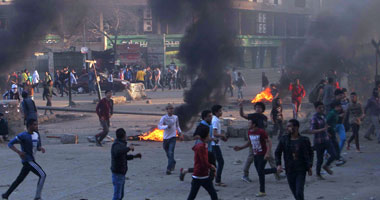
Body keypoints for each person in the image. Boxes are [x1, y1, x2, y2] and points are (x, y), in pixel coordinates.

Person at [2, 119, 46, 200]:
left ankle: (6, 194)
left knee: (19, 179)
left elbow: (37, 147)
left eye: (37, 125)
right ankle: (37, 197)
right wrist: (19, 152)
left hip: (31, 160)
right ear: (29, 126)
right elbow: (10, 143)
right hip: (28, 161)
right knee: (43, 175)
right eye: (34, 125)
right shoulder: (23, 135)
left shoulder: (36, 135)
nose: (36, 126)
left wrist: (41, 148)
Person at [234, 119, 279, 197]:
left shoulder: (261, 132)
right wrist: (240, 148)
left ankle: (262, 191)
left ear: (254, 124)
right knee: (260, 172)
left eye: (249, 123)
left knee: (261, 172)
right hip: (256, 154)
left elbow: (268, 142)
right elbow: (249, 143)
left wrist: (267, 153)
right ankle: (276, 170)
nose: (248, 124)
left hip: (263, 154)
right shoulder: (249, 132)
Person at [239, 102, 279, 182]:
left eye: (260, 107)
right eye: (257, 107)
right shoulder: (253, 116)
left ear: (263, 109)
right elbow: (243, 115)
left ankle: (277, 174)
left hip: (263, 138)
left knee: (270, 157)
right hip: (254, 139)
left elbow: (264, 128)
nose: (258, 108)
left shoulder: (264, 117)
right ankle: (245, 175)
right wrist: (241, 108)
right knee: (251, 157)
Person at [275, 119, 313, 200]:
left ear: (296, 127)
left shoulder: (304, 140)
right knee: (295, 192)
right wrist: (278, 164)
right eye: (287, 126)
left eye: (289, 126)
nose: (287, 128)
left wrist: (309, 166)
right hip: (289, 169)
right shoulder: (284, 139)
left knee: (299, 191)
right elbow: (277, 152)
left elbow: (310, 153)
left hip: (301, 169)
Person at [180, 110, 216, 181]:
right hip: (202, 149)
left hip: (208, 148)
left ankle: (185, 170)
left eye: (211, 116)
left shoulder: (209, 124)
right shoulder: (202, 126)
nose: (211, 117)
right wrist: (212, 139)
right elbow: (197, 137)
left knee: (204, 166)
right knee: (211, 167)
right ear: (204, 117)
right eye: (209, 116)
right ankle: (211, 184)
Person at [187, 122, 218, 200]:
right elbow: (204, 162)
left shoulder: (201, 145)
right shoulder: (201, 147)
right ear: (206, 136)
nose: (209, 137)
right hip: (201, 175)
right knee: (213, 194)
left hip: (199, 175)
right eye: (208, 135)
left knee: (192, 196)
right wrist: (211, 166)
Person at [111, 128, 142, 200]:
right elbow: (118, 152)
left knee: (120, 195)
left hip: (121, 173)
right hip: (117, 173)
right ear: (124, 136)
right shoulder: (116, 145)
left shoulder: (121, 144)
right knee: (117, 196)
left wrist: (134, 156)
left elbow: (124, 156)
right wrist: (129, 148)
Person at [310, 101, 337, 180]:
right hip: (319, 142)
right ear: (316, 109)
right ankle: (318, 174)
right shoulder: (314, 118)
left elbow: (325, 126)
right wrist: (323, 129)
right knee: (320, 159)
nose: (321, 109)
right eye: (319, 108)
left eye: (322, 107)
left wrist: (327, 132)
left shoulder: (324, 116)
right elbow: (312, 131)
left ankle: (326, 166)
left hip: (326, 139)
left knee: (334, 155)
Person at [158, 103, 183, 175]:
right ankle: (173, 162)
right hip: (166, 138)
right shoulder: (164, 118)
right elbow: (159, 126)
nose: (171, 110)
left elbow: (177, 126)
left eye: (172, 108)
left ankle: (168, 169)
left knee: (171, 152)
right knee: (168, 153)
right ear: (167, 110)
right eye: (170, 109)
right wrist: (166, 126)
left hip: (173, 137)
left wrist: (180, 133)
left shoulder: (175, 117)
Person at [211, 105, 228, 187]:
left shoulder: (216, 119)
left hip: (215, 143)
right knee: (220, 162)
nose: (221, 112)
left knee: (213, 163)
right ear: (216, 112)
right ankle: (217, 180)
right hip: (214, 144)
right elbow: (214, 133)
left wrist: (222, 137)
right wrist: (222, 136)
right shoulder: (215, 121)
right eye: (220, 111)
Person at [326, 101, 345, 166]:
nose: (340, 108)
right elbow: (326, 121)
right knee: (334, 145)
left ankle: (337, 158)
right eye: (339, 107)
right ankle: (336, 159)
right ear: (335, 107)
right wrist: (327, 131)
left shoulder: (335, 113)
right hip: (330, 131)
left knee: (335, 145)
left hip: (332, 131)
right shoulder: (332, 113)